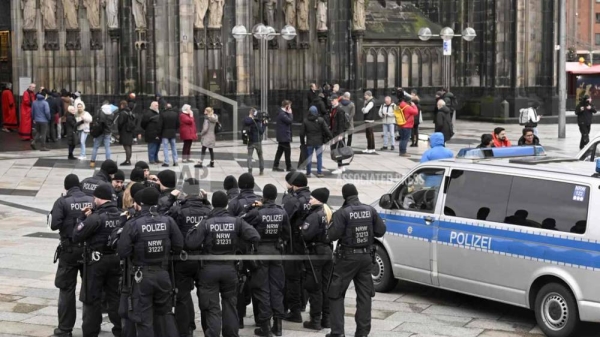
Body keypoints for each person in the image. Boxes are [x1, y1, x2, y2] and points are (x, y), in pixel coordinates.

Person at [184, 191, 261, 337]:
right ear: (226, 204)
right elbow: (255, 236)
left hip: (209, 269)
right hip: (230, 268)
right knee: (230, 305)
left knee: (212, 307)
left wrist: (197, 225)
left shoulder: (206, 222)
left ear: (213, 204)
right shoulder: (236, 222)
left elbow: (191, 242)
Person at [116, 187, 183, 336]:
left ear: (139, 204)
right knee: (165, 315)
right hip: (163, 274)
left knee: (143, 319)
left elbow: (123, 252)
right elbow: (179, 246)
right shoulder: (168, 221)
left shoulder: (133, 223)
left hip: (142, 277)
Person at [327, 184, 386, 337]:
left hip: (346, 258)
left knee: (336, 294)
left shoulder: (342, 213)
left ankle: (338, 332)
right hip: (366, 257)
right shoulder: (370, 210)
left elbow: (332, 235)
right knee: (365, 296)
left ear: (344, 196)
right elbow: (381, 231)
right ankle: (362, 332)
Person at [72, 183, 123, 337]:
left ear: (99, 199)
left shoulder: (95, 217)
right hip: (116, 260)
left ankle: (91, 332)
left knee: (92, 298)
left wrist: (82, 217)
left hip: (97, 262)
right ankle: (120, 330)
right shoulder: (121, 215)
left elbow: (76, 235)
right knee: (115, 297)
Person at [242, 184, 291, 336]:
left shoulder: (257, 212)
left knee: (262, 290)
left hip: (260, 253)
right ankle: (278, 325)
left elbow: (240, 222)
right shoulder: (282, 211)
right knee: (276, 289)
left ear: (263, 196)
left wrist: (250, 207)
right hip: (276, 252)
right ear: (275, 196)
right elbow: (286, 234)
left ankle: (265, 327)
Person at [49, 174, 94, 337]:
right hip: (89, 250)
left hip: (69, 250)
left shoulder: (62, 201)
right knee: (89, 289)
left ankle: (64, 329)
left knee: (66, 289)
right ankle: (90, 329)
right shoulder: (92, 199)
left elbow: (54, 225)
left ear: (66, 187)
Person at [168, 178, 212, 337]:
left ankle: (186, 331)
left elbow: (161, 214)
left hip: (183, 259)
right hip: (203, 259)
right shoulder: (208, 210)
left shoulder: (178, 210)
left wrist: (171, 198)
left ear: (185, 192)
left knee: (183, 297)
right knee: (207, 296)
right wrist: (206, 201)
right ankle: (209, 330)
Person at [300, 187, 333, 331]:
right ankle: (327, 319)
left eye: (312, 198)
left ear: (318, 200)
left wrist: (301, 228)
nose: (309, 199)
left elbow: (305, 234)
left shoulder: (314, 215)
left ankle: (315, 320)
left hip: (316, 253)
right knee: (326, 287)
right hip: (327, 252)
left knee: (315, 287)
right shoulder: (327, 212)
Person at [282, 172, 311, 323]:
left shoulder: (294, 200)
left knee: (292, 277)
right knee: (304, 275)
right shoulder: (312, 198)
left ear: (294, 185)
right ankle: (302, 304)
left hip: (295, 244)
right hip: (310, 244)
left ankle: (294, 311)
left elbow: (283, 217)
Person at [300, 106, 333, 178]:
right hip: (319, 141)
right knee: (319, 157)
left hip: (309, 142)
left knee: (309, 157)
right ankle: (319, 172)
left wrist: (302, 142)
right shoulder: (320, 120)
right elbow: (326, 130)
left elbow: (302, 133)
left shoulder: (305, 121)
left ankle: (308, 173)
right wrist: (331, 137)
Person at [90, 101, 116, 168]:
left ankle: (92, 162)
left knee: (95, 147)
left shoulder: (100, 111)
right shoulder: (112, 113)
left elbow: (96, 119)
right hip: (108, 131)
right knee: (107, 147)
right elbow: (111, 122)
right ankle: (108, 162)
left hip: (100, 131)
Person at [273, 100, 294, 172]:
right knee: (287, 151)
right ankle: (289, 166)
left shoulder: (282, 113)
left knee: (280, 151)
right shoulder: (282, 114)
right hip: (284, 136)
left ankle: (275, 165)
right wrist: (290, 113)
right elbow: (289, 121)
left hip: (282, 136)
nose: (290, 107)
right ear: (286, 106)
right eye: (290, 106)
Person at [330, 96, 348, 174]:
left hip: (338, 132)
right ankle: (341, 166)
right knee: (337, 149)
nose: (331, 102)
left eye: (333, 100)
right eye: (331, 100)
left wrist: (341, 134)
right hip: (334, 131)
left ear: (336, 100)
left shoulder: (339, 110)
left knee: (338, 150)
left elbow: (341, 123)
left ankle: (340, 167)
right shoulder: (334, 109)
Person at [244, 108, 265, 175]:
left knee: (249, 156)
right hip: (258, 141)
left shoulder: (247, 120)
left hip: (250, 141)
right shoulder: (257, 121)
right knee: (260, 156)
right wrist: (264, 125)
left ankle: (250, 170)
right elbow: (261, 131)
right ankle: (261, 170)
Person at [117, 100, 136, 166]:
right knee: (129, 146)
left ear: (122, 105)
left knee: (126, 146)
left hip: (124, 131)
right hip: (130, 130)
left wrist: (119, 130)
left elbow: (120, 123)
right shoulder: (130, 112)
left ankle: (128, 161)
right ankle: (128, 159)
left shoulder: (122, 113)